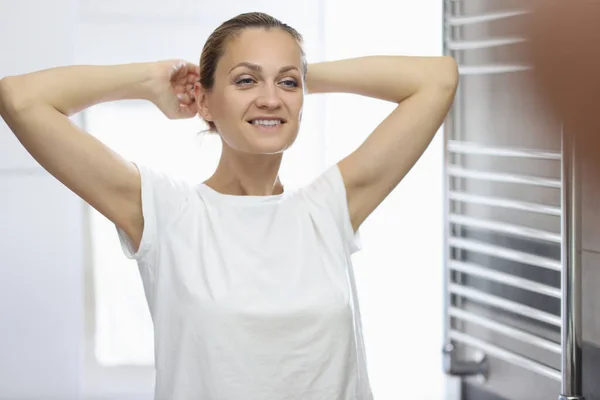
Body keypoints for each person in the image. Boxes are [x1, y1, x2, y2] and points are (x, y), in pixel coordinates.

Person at [0, 12, 458, 400]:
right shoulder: (166, 212)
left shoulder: (329, 208)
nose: (271, 98)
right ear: (204, 100)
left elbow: (437, 79)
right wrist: (145, 80)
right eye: (245, 80)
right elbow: (20, 99)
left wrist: (305, 72)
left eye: (287, 83)